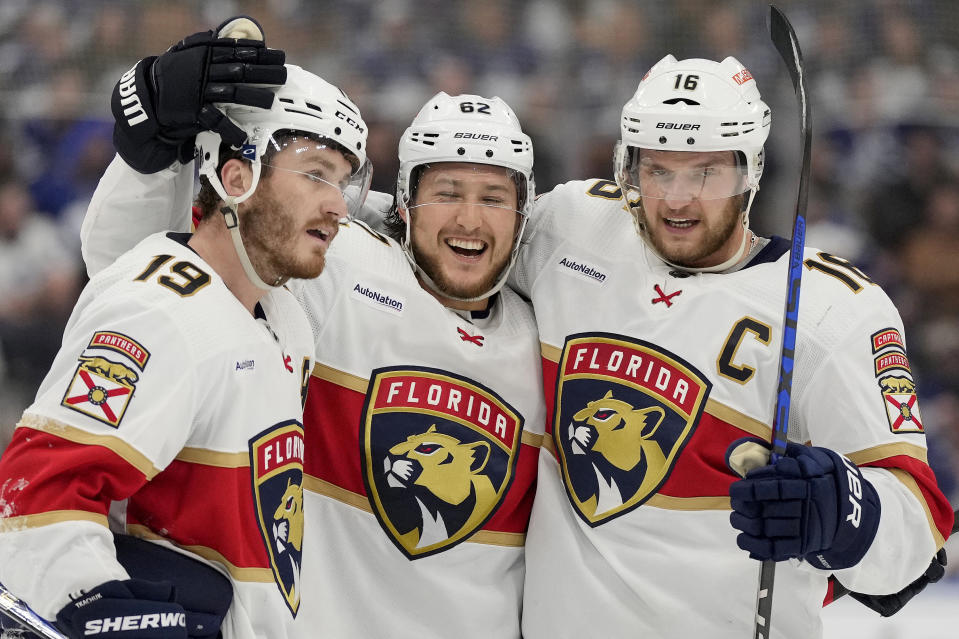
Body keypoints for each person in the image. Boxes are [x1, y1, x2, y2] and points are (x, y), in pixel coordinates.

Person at [79, 44, 544, 638]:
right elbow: (133, 260)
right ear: (402, 202)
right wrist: (151, 149)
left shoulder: (550, 331)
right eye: (446, 192)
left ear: (524, 213)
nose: (469, 221)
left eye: (494, 198)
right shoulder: (338, 269)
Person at [510, 54, 954, 638]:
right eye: (657, 170)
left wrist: (842, 513)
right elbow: (441, 250)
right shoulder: (571, 227)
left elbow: (918, 536)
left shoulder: (834, 307)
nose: (676, 200)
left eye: (705, 172)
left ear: (750, 171)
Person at [0, 17, 370, 639]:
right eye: (315, 173)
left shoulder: (281, 319)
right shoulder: (161, 310)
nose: (337, 203)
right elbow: (34, 501)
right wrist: (100, 618)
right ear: (235, 177)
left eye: (341, 180)